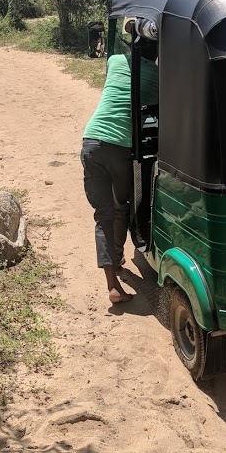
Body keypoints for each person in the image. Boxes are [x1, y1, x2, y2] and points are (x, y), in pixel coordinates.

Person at [81, 19, 159, 305]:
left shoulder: (115, 61)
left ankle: (113, 282)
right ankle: (117, 255)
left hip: (91, 142)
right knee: (121, 206)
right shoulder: (157, 78)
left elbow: (120, 47)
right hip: (119, 149)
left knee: (103, 215)